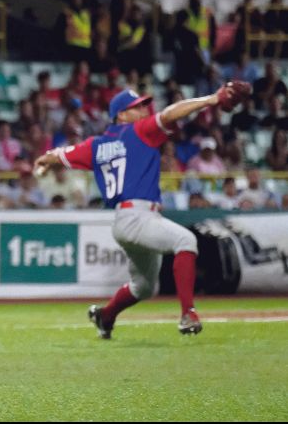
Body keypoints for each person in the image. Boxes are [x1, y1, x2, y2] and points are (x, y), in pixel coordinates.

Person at [33, 84, 246, 338]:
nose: (145, 110)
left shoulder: (96, 145)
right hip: (138, 216)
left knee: (143, 287)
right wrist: (212, 98)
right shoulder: (139, 131)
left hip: (126, 221)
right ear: (121, 115)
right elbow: (170, 114)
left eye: (144, 105)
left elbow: (60, 154)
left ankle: (106, 316)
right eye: (137, 107)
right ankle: (188, 313)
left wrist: (44, 160)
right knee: (185, 240)